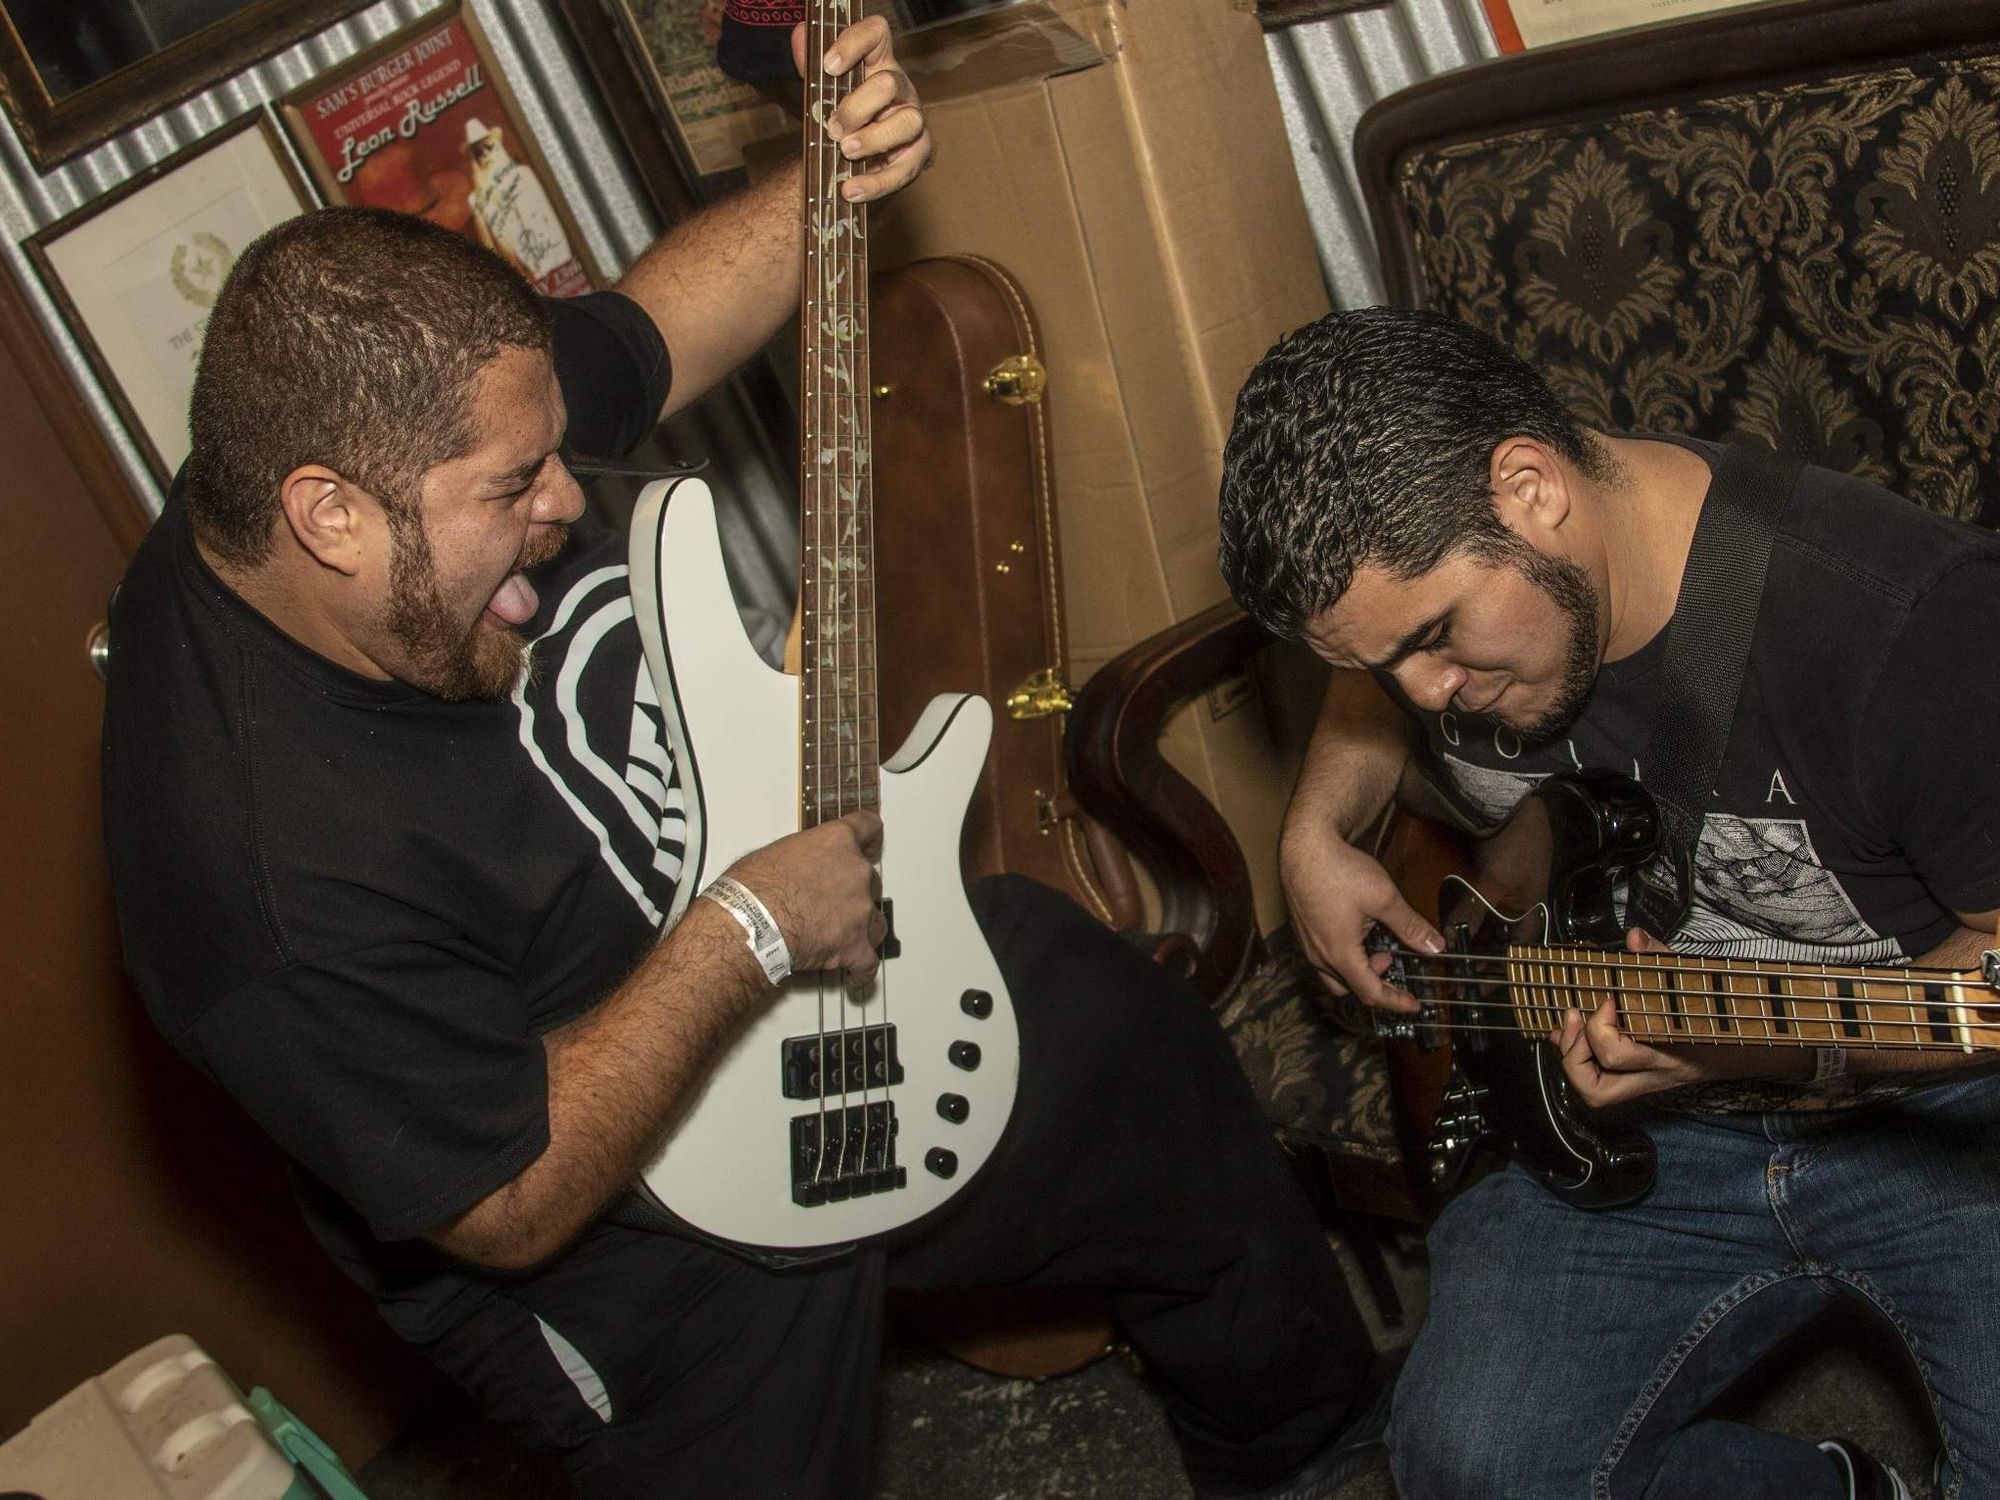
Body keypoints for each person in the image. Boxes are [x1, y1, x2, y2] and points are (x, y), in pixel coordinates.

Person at [100, 17, 1389, 1498]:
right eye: (516, 487)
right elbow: (508, 1200)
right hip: (614, 1232)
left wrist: (829, 176)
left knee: (1131, 1050)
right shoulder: (252, 879)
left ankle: (1304, 1444)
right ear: (329, 516)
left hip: (818, 982)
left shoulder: (418, 416)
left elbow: (655, 329)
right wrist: (751, 928)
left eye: (550, 455)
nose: (564, 502)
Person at [1215, 305, 2000, 1500]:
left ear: (1528, 487)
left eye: (1436, 637)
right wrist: (1315, 825)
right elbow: (1381, 669)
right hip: (1640, 1128)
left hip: (1934, 1111)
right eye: (1383, 666)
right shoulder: (1446, 621)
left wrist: (1760, 1048)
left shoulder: (1909, 627)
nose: (1427, 695)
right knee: (1474, 1467)